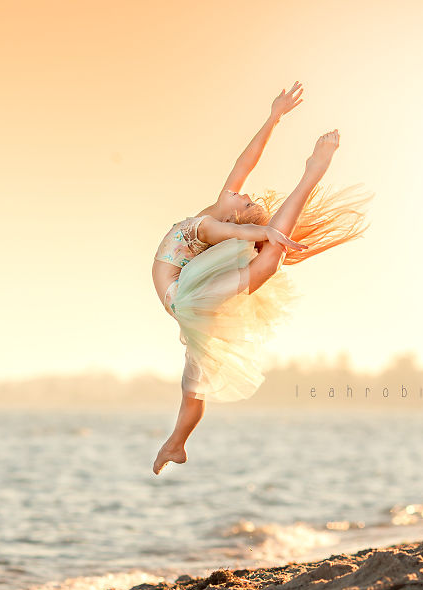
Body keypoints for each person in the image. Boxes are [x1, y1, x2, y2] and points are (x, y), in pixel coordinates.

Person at [151, 81, 374, 475]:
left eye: (245, 201)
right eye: (247, 198)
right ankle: (176, 444)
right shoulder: (216, 216)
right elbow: (244, 163)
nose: (243, 193)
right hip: (185, 293)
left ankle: (176, 444)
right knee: (196, 379)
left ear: (235, 214)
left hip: (184, 295)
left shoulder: (210, 224)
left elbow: (237, 230)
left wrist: (265, 233)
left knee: (195, 384)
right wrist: (274, 117)